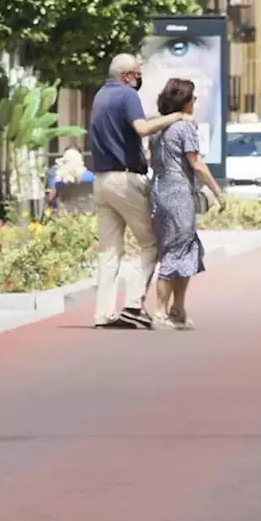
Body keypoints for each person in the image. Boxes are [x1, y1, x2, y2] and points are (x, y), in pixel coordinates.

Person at [87, 53, 193, 330]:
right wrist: (175, 116)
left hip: (101, 181)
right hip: (125, 179)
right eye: (137, 72)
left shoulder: (100, 96)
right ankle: (133, 304)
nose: (139, 76)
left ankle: (103, 313)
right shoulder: (126, 95)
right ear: (126, 76)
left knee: (109, 251)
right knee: (152, 243)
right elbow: (142, 128)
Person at [147, 79, 224, 331]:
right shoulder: (184, 127)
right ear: (185, 102)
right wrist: (217, 192)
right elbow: (197, 164)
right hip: (179, 193)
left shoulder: (159, 129)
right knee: (176, 249)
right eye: (193, 99)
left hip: (159, 190)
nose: (195, 104)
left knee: (183, 247)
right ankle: (161, 310)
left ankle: (177, 308)